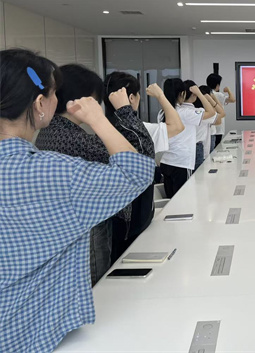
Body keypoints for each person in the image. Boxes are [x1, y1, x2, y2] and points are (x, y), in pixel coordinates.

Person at [0, 48, 154, 353]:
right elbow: (138, 172)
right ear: (39, 103)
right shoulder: (52, 171)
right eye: (53, 93)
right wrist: (99, 119)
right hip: (30, 329)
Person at [36, 64, 121, 284]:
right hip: (87, 228)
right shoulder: (74, 137)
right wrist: (112, 116)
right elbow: (131, 167)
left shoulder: (50, 129)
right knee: (96, 283)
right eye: (94, 100)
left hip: (64, 226)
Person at [104, 72, 184, 260]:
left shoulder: (101, 129)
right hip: (137, 220)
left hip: (112, 223)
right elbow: (177, 126)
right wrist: (160, 95)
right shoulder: (139, 130)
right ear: (131, 98)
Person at [182, 80, 217, 170]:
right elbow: (212, 112)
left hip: (184, 147)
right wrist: (201, 95)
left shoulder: (177, 110)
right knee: (198, 175)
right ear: (194, 94)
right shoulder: (193, 112)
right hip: (195, 146)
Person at [206, 73, 235, 147]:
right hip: (218, 128)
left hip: (208, 126)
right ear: (217, 85)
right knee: (216, 148)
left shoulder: (205, 94)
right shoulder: (218, 95)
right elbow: (232, 99)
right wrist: (228, 90)